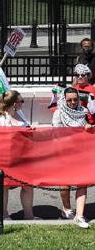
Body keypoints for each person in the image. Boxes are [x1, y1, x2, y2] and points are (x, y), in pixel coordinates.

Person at [0, 90, 35, 220]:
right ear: (14, 103)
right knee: (3, 186)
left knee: (27, 185)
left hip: (23, 156)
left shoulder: (19, 113)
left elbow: (26, 129)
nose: (23, 104)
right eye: (21, 101)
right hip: (4, 156)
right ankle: (3, 214)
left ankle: (29, 215)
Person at [52, 87, 95, 228]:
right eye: (69, 99)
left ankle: (79, 215)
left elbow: (91, 126)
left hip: (82, 152)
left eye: (75, 99)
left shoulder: (84, 112)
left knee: (82, 183)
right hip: (64, 152)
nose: (73, 102)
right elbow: (56, 133)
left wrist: (89, 126)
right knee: (65, 183)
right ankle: (67, 209)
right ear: (64, 99)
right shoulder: (59, 113)